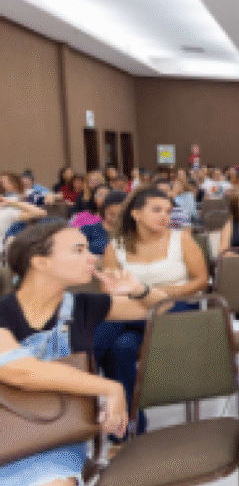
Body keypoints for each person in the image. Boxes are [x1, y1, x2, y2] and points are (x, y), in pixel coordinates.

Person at [0, 221, 169, 486]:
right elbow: (17, 371)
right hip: (6, 431)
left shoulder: (84, 306)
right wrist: (109, 387)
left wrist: (137, 287)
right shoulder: (3, 312)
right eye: (78, 251)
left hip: (57, 437)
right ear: (40, 262)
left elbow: (160, 309)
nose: (92, 257)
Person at [99, 187, 209, 441]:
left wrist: (160, 292)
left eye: (168, 211)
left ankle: (81, 364)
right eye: (157, 210)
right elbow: (111, 290)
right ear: (136, 214)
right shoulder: (116, 246)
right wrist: (142, 296)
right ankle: (129, 423)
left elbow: (201, 280)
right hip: (132, 314)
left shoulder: (180, 239)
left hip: (177, 309)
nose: (165, 216)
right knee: (122, 347)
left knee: (103, 331)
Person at [80, 191, 126, 256]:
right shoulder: (88, 229)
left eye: (120, 215)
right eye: (111, 214)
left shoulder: (129, 231)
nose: (115, 219)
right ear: (104, 210)